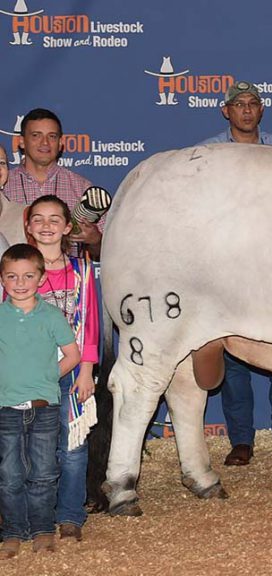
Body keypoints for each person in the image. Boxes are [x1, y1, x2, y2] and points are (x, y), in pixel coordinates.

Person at [198, 81, 272, 464]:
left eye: (253, 103)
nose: (246, 109)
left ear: (262, 110)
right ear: (225, 111)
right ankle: (241, 440)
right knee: (232, 356)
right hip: (228, 267)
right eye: (239, 104)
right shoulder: (208, 154)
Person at [0, 244, 81, 558]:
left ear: (40, 278)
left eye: (28, 276)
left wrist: (48, 378)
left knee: (44, 473)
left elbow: (72, 355)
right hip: (5, 409)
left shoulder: (52, 316)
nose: (20, 283)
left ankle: (43, 530)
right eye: (12, 276)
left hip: (45, 408)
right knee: (9, 475)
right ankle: (12, 533)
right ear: (3, 280)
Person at [26, 195, 98, 541]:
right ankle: (37, 516)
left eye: (55, 219)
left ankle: (71, 515)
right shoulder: (18, 271)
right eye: (38, 219)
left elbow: (93, 324)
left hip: (72, 373)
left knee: (73, 447)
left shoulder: (82, 270)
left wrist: (87, 371)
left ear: (68, 227)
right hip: (30, 372)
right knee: (33, 448)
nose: (47, 226)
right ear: (28, 226)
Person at [3, 108, 102, 259]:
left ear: (61, 143)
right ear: (21, 141)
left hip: (68, 280)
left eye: (52, 136)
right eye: (36, 135)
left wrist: (95, 240)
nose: (45, 142)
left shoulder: (81, 188)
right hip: (16, 280)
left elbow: (107, 252)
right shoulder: (4, 184)